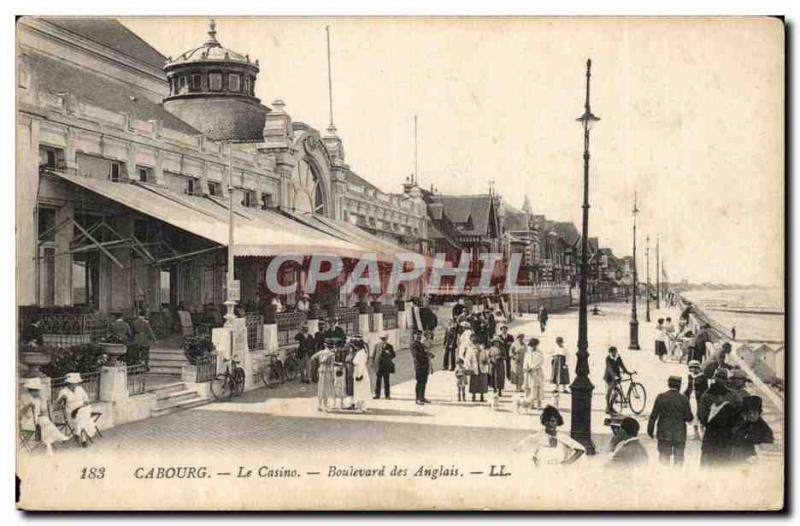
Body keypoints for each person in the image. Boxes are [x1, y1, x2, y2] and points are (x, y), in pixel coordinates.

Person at [514, 405, 585, 467]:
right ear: (543, 422)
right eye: (547, 421)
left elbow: (581, 449)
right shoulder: (537, 437)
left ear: (557, 422)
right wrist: (532, 459)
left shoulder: (563, 437)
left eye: (552, 421)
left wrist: (567, 463)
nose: (550, 423)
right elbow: (517, 449)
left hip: (559, 471)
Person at [698, 368, 740, 466]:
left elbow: (701, 415)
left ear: (714, 379)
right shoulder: (733, 395)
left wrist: (709, 423)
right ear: (726, 381)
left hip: (711, 434)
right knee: (723, 463)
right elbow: (740, 413)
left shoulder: (706, 395)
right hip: (726, 434)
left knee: (708, 463)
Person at [647, 376, 693, 466]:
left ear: (668, 384)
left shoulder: (661, 397)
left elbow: (653, 416)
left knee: (664, 459)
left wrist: (650, 430)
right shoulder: (683, 399)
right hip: (679, 434)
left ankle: (665, 477)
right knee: (679, 460)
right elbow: (689, 417)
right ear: (679, 386)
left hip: (664, 433)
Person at [19, 377, 67, 455]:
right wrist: (28, 406)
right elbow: (20, 413)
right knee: (45, 421)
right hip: (28, 422)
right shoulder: (24, 397)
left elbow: (43, 410)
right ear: (31, 390)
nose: (38, 391)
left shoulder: (38, 398)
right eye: (37, 390)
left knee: (45, 425)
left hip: (37, 421)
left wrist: (42, 399)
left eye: (38, 390)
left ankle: (49, 447)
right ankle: (59, 437)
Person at [55, 373, 98, 447]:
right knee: (84, 418)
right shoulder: (63, 391)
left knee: (82, 416)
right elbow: (58, 404)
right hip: (72, 413)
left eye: (76, 383)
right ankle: (81, 437)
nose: (75, 385)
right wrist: (62, 398)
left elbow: (86, 400)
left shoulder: (80, 389)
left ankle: (80, 436)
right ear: (69, 383)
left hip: (83, 410)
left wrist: (85, 403)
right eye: (73, 383)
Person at [730, 395, 774, 464]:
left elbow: (767, 449)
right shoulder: (741, 424)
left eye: (755, 413)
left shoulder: (764, 429)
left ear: (759, 413)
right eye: (749, 413)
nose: (752, 416)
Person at [684, 360, 709, 440]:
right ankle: (696, 434)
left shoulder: (703, 377)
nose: (694, 370)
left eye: (695, 368)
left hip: (700, 398)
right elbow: (689, 387)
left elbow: (706, 389)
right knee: (693, 415)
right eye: (692, 368)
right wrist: (685, 394)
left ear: (698, 368)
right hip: (692, 398)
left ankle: (703, 434)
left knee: (700, 415)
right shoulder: (690, 376)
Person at [604, 346, 632, 415]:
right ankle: (608, 407)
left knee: (616, 393)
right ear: (610, 352)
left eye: (615, 351)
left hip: (616, 378)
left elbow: (622, 366)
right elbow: (609, 368)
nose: (615, 353)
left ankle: (610, 407)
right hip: (609, 378)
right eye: (613, 352)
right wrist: (614, 376)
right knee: (610, 391)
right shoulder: (608, 358)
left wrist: (628, 372)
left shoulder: (618, 357)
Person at [309, 339, 336, 411]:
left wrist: (317, 365)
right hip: (327, 372)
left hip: (321, 370)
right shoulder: (332, 354)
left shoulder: (320, 352)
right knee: (326, 388)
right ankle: (325, 404)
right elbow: (331, 366)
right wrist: (333, 375)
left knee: (320, 388)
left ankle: (319, 404)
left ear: (325, 345)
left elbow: (312, 358)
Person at [464, 334, 489, 403]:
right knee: (474, 383)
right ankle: (473, 396)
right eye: (475, 343)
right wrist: (468, 368)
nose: (476, 345)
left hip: (482, 369)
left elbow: (486, 358)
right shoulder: (470, 350)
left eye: (478, 343)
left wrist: (485, 361)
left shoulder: (483, 350)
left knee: (482, 382)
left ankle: (482, 396)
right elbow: (467, 360)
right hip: (474, 369)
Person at [410, 331, 433, 405]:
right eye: (417, 335)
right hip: (419, 365)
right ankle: (417, 399)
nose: (418, 337)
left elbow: (424, 352)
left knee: (424, 382)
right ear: (414, 336)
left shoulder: (420, 344)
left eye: (419, 336)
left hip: (425, 365)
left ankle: (422, 397)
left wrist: (429, 354)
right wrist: (426, 356)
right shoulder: (413, 345)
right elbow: (417, 355)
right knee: (419, 382)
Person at [522, 338, 545, 410]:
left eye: (534, 345)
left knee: (538, 387)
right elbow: (525, 361)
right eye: (531, 345)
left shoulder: (539, 353)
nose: (533, 347)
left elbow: (540, 362)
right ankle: (530, 403)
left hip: (536, 372)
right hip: (528, 373)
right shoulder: (527, 353)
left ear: (537, 345)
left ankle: (539, 404)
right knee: (528, 387)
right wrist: (525, 368)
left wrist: (532, 368)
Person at [371, 334, 395, 400]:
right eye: (382, 339)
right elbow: (374, 355)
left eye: (384, 339)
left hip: (386, 366)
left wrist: (389, 353)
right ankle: (377, 395)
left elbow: (393, 355)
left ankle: (387, 395)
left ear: (387, 339)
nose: (383, 340)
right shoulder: (377, 345)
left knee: (386, 381)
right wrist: (372, 363)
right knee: (378, 381)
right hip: (378, 366)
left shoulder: (390, 346)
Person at [351, 340, 371, 412]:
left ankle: (360, 407)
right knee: (362, 389)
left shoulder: (360, 353)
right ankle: (362, 406)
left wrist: (359, 375)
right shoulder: (362, 352)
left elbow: (361, 365)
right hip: (360, 371)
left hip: (360, 372)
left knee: (360, 389)